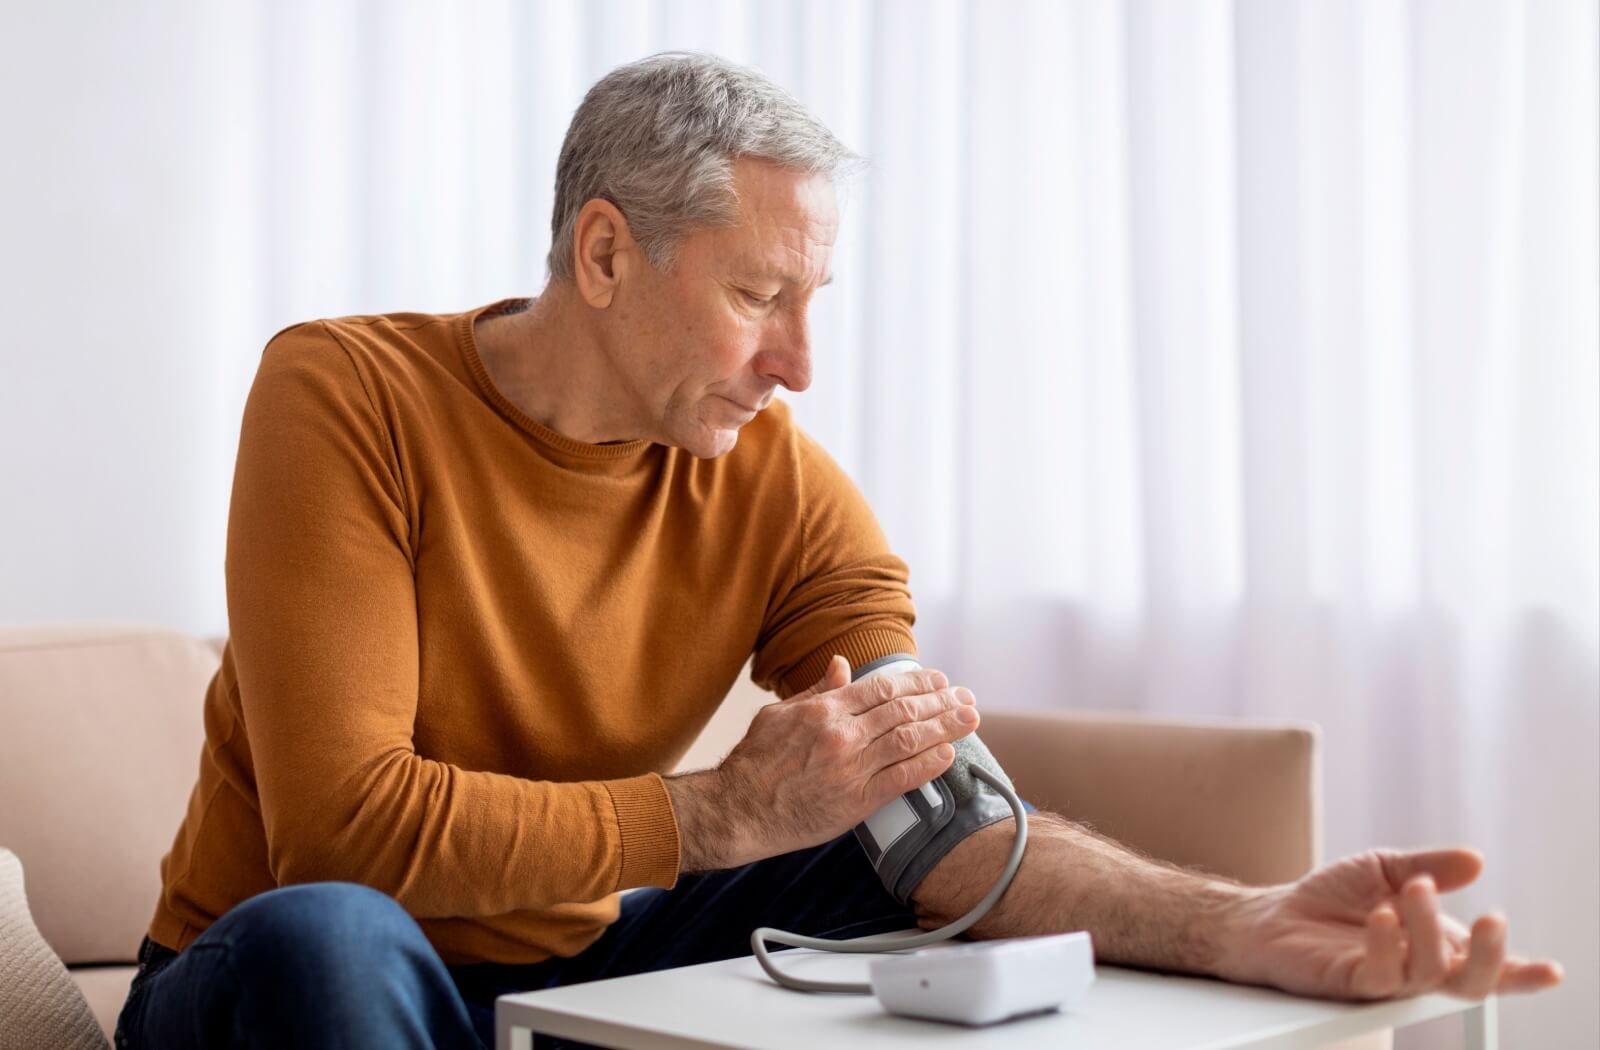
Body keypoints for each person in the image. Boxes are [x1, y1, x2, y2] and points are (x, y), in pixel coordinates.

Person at [115, 51, 1562, 1050]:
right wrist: (708, 818)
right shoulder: (343, 396)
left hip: (564, 961)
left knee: (892, 869)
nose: (801, 362)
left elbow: (955, 834)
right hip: (283, 980)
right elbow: (343, 828)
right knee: (332, 935)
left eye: (816, 300)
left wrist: (1242, 924)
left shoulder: (771, 481)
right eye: (760, 295)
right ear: (607, 256)